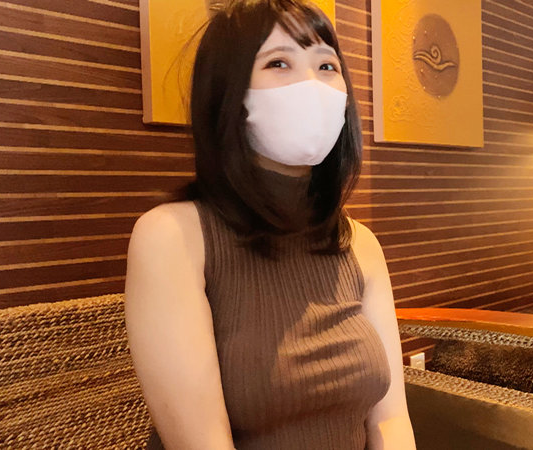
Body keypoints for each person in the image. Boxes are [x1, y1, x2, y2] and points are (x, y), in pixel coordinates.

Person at [123, 0, 416, 449]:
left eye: (327, 66)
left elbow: (390, 421)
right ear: (230, 95)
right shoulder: (171, 237)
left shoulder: (360, 243)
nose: (312, 84)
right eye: (278, 63)